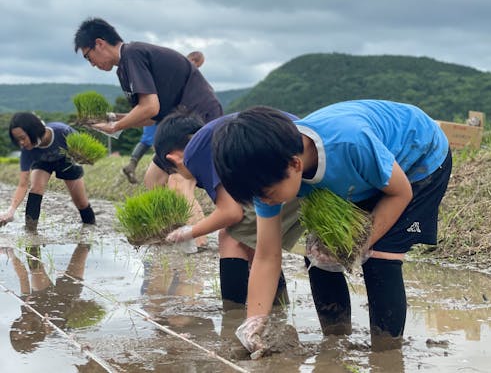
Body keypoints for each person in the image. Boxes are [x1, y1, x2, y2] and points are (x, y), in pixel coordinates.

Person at [212, 100, 452, 353]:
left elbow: (399, 193)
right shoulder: (267, 176)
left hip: (418, 159)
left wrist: (357, 245)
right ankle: (337, 342)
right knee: (318, 255)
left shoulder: (350, 144)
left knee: (380, 258)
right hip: (366, 174)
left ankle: (386, 354)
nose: (264, 202)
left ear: (295, 165)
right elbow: (266, 254)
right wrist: (254, 321)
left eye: (267, 195)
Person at [74, 18, 222, 243]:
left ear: (100, 43)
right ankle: (169, 232)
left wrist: (115, 126)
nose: (91, 63)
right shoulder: (124, 68)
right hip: (176, 125)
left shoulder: (132, 54)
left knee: (178, 183)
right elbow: (147, 116)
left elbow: (150, 107)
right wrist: (110, 120)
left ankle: (196, 245)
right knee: (153, 179)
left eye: (88, 56)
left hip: (196, 122)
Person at [153, 108, 305, 307]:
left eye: (176, 172)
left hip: (286, 172)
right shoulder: (213, 136)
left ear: (173, 158)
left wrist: (188, 232)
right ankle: (276, 308)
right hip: (301, 159)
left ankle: (233, 314)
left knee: (231, 237)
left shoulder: (194, 153)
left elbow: (231, 213)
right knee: (249, 239)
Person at [121, 50, 206, 184]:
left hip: (156, 110)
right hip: (161, 112)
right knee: (155, 140)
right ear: (194, 61)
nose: (197, 68)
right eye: (198, 64)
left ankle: (135, 164)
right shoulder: (183, 73)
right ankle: (145, 165)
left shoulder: (175, 70)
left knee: (149, 139)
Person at [0, 113, 95, 231]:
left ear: (33, 131)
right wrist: (11, 211)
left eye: (23, 138)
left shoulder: (62, 131)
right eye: (18, 140)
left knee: (81, 202)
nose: (21, 143)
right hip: (43, 162)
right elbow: (22, 184)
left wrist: (85, 157)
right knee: (36, 188)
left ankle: (91, 228)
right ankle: (30, 230)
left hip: (67, 160)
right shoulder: (27, 150)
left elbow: (86, 149)